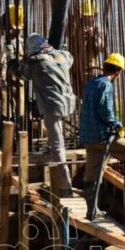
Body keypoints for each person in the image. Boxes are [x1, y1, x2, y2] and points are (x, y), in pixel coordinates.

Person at [79, 53, 125, 218]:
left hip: (89, 137)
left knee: (93, 174)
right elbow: (105, 111)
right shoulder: (106, 85)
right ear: (117, 71)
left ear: (104, 67)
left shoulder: (91, 83)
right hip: (103, 136)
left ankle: (92, 210)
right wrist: (116, 124)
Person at [19, 33, 76, 197]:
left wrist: (11, 59)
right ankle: (65, 182)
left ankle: (65, 186)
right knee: (60, 138)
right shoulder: (63, 56)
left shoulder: (36, 62)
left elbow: (22, 74)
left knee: (57, 145)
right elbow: (69, 58)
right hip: (68, 103)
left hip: (53, 106)